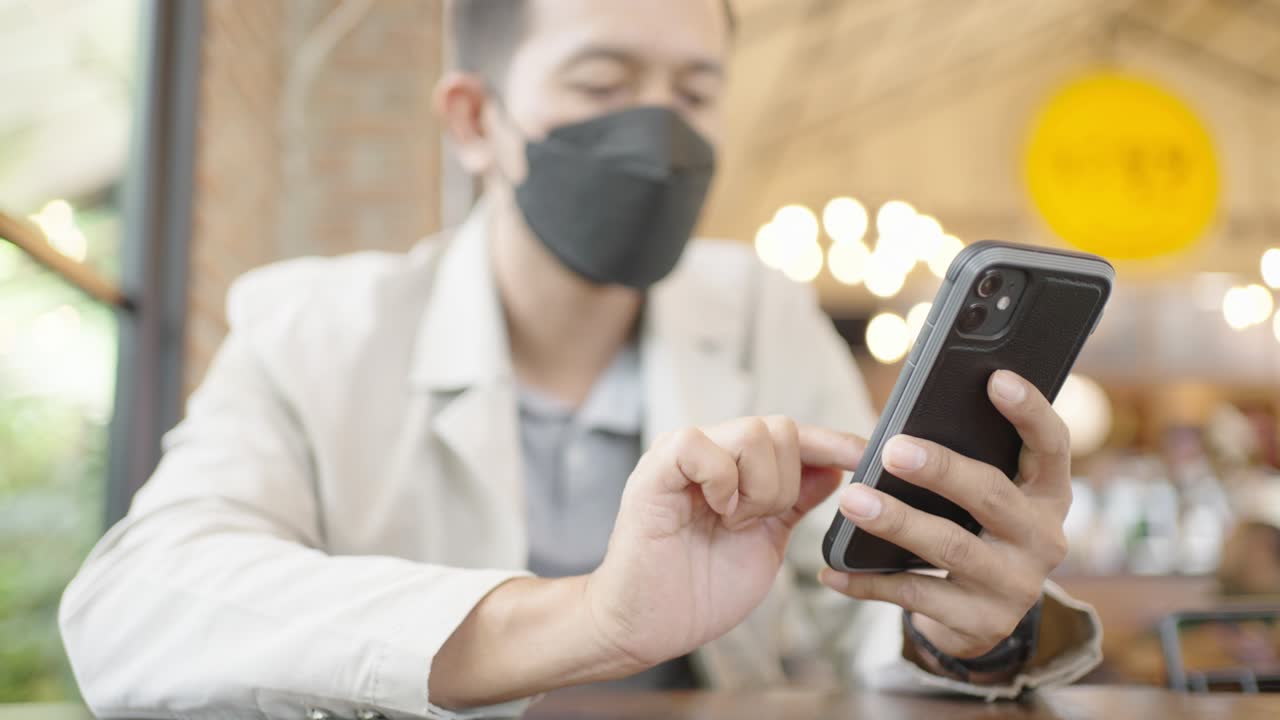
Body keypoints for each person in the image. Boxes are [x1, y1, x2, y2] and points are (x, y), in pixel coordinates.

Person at [59, 1, 1101, 717]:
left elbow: (848, 622)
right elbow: (134, 608)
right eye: (603, 81)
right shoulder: (314, 327)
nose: (657, 134)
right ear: (474, 120)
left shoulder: (756, 313)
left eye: (693, 92)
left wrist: (964, 635)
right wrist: (582, 622)